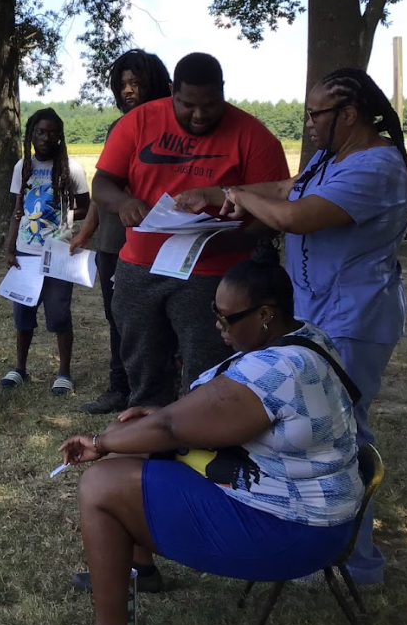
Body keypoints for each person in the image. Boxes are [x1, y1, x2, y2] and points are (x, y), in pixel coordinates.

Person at [180, 68, 407, 586]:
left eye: (315, 115)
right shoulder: (334, 158)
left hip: (355, 318)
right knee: (313, 428)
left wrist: (238, 192)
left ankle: (356, 560)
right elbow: (288, 187)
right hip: (322, 313)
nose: (307, 125)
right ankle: (313, 537)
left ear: (348, 115)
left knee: (345, 430)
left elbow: (294, 215)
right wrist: (222, 191)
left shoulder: (375, 167)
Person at [60, 260, 364, 625]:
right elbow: (222, 416)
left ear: (266, 314)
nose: (218, 326)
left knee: (99, 485)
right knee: (130, 444)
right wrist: (141, 427)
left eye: (227, 318)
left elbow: (170, 428)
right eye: (215, 313)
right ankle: (141, 569)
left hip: (295, 531)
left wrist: (98, 444)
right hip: (305, 506)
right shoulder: (306, 338)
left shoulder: (276, 368)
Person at [92, 52, 289, 409]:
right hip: (141, 266)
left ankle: (203, 441)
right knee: (142, 364)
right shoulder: (138, 123)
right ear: (171, 92)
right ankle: (147, 436)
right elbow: (102, 183)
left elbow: (274, 208)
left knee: (207, 367)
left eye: (210, 105)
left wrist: (230, 237)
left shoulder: (254, 137)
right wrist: (124, 203)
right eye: (187, 105)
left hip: (212, 273)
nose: (199, 115)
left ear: (224, 92)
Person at [70, 50, 172, 415]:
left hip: (161, 241)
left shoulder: (172, 125)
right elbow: (104, 185)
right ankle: (121, 387)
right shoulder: (120, 128)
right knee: (118, 317)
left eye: (136, 83)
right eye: (122, 85)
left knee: (162, 319)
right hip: (114, 242)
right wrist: (86, 232)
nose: (128, 91)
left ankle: (162, 386)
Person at [1, 107, 91, 395]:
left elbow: (87, 207)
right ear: (31, 134)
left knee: (59, 314)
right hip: (26, 253)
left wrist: (63, 214)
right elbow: (17, 209)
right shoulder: (22, 167)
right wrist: (10, 245)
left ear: (60, 136)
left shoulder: (72, 168)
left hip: (58, 251)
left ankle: (64, 372)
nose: (46, 138)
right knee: (23, 313)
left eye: (53, 132)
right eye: (40, 132)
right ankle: (20, 368)